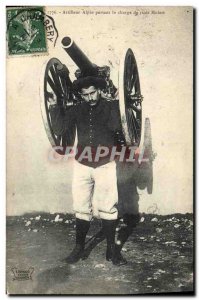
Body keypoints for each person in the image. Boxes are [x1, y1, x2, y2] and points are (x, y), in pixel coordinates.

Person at [49, 76, 127, 266]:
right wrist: (53, 107)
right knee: (81, 207)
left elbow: (117, 128)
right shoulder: (76, 109)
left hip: (105, 163)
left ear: (99, 90)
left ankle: (112, 251)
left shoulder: (110, 107)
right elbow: (60, 129)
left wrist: (115, 102)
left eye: (93, 93)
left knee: (108, 207)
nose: (90, 98)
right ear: (80, 95)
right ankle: (78, 248)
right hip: (82, 164)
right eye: (86, 95)